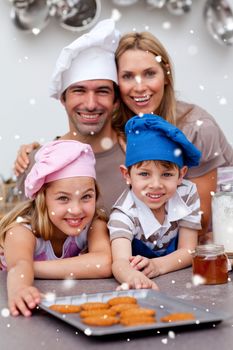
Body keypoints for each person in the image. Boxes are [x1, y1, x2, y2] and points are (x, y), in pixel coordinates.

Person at [115, 31, 233, 241]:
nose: (140, 86)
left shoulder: (197, 128)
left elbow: (202, 221)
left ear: (166, 75)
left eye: (150, 73)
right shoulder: (117, 127)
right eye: (127, 76)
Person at [14, 19, 126, 216]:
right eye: (79, 91)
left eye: (102, 91)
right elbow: (22, 237)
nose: (91, 104)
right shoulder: (36, 163)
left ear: (116, 100)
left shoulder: (139, 159)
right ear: (63, 98)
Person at [0, 140, 112, 317]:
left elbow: (103, 263)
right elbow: (19, 265)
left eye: (86, 197)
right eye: (63, 198)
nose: (76, 210)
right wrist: (21, 288)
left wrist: (33, 267)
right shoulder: (22, 230)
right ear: (42, 198)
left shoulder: (94, 223)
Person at [108, 114, 202, 290]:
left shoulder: (187, 194)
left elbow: (189, 250)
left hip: (179, 283)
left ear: (181, 174)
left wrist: (157, 266)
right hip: (145, 282)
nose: (156, 185)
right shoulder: (123, 214)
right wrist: (132, 276)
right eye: (144, 174)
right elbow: (119, 261)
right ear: (126, 175)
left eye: (166, 174)